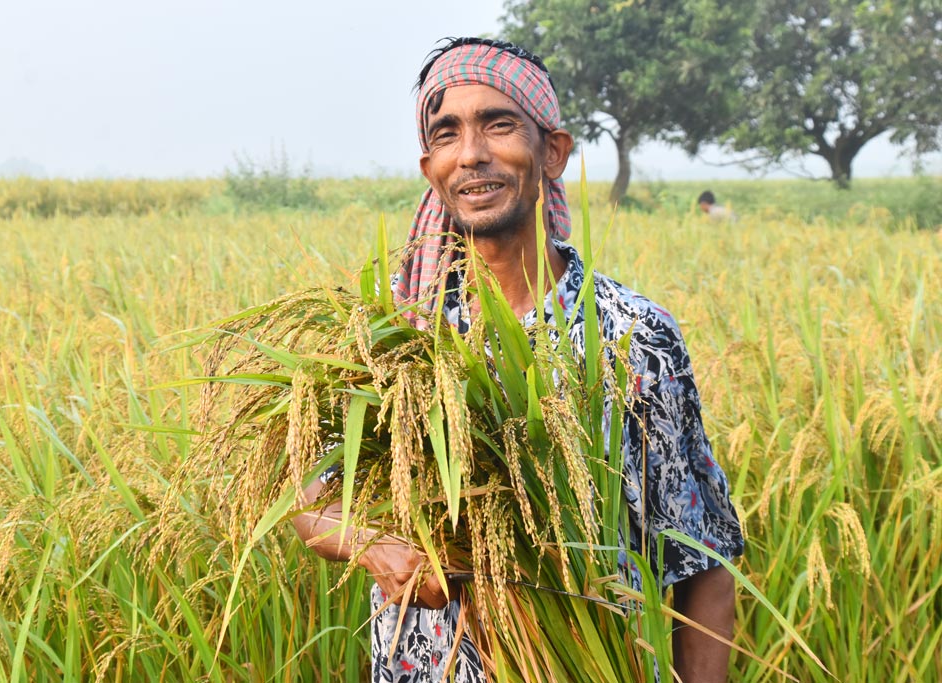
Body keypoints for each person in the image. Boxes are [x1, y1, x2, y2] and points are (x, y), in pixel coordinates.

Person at [294, 37, 744, 683]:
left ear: (552, 150)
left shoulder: (630, 334)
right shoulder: (393, 334)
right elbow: (309, 493)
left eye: (498, 123)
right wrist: (371, 543)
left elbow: (703, 556)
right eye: (447, 133)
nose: (472, 153)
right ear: (431, 167)